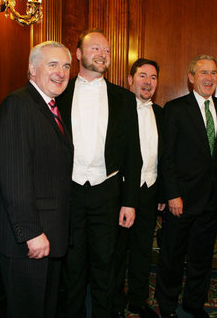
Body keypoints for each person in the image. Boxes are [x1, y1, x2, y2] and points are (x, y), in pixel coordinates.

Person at [57, 29, 141, 317]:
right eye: (95, 49)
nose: (102, 54)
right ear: (78, 54)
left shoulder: (124, 99)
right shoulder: (58, 93)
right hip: (68, 191)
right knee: (72, 265)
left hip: (107, 192)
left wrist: (129, 201)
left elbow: (134, 154)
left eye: (106, 50)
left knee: (107, 265)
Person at [0, 41, 73, 318]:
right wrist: (31, 233)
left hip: (49, 234)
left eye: (65, 66)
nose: (61, 72)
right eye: (53, 65)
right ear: (31, 69)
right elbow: (14, 176)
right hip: (28, 240)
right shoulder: (18, 104)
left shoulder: (51, 108)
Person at [155, 54, 217, 318]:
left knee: (202, 259)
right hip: (182, 200)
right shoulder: (175, 108)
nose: (209, 78)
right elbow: (166, 156)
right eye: (203, 73)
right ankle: (166, 305)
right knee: (172, 257)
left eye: (213, 73)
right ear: (191, 78)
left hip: (212, 201)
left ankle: (194, 304)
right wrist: (172, 194)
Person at [113, 58, 164, 318]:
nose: (148, 82)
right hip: (121, 193)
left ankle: (138, 300)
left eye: (153, 77)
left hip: (150, 191)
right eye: (142, 76)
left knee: (143, 251)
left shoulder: (161, 113)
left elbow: (165, 157)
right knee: (117, 252)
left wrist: (162, 193)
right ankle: (114, 303)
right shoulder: (117, 110)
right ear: (130, 79)